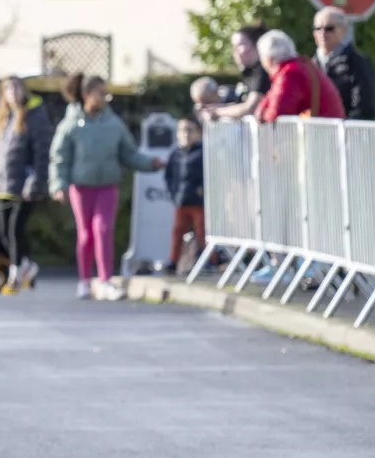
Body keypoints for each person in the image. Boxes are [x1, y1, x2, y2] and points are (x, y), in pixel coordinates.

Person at [49, 74, 164, 301]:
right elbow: (59, 158)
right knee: (86, 235)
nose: (106, 98)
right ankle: (84, 280)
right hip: (81, 187)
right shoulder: (70, 125)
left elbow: (129, 153)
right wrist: (58, 185)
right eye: (101, 93)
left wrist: (150, 163)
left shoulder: (114, 124)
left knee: (103, 229)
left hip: (107, 186)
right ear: (86, 95)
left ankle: (105, 280)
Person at [0, 75, 52, 293]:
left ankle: (15, 275)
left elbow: (42, 152)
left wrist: (35, 181)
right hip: (3, 185)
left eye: (16, 88)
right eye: (8, 89)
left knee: (15, 230)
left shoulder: (35, 116)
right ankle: (28, 266)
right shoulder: (2, 117)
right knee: (4, 232)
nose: (13, 93)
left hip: (24, 185)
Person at [254, 30, 346, 123]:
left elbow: (277, 113)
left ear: (269, 60)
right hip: (325, 127)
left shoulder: (290, 73)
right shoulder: (301, 66)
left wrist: (262, 116)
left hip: (320, 129)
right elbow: (271, 99)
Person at [312, 6, 375, 119]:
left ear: (344, 30)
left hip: (345, 128)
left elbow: (364, 106)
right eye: (318, 28)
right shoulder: (310, 66)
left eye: (329, 28)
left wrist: (344, 127)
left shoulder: (357, 63)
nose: (322, 33)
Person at [199, 24, 270, 122]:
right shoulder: (250, 72)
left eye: (239, 45)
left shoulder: (262, 70)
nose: (234, 51)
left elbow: (251, 107)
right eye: (233, 46)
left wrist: (217, 112)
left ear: (255, 44)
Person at [164, 116, 206, 275]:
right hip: (181, 201)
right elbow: (169, 176)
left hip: (198, 202)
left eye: (190, 130)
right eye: (182, 130)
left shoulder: (202, 152)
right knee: (177, 231)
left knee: (202, 231)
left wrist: (202, 188)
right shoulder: (175, 154)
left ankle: (211, 260)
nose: (186, 134)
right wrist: (174, 193)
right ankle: (173, 261)